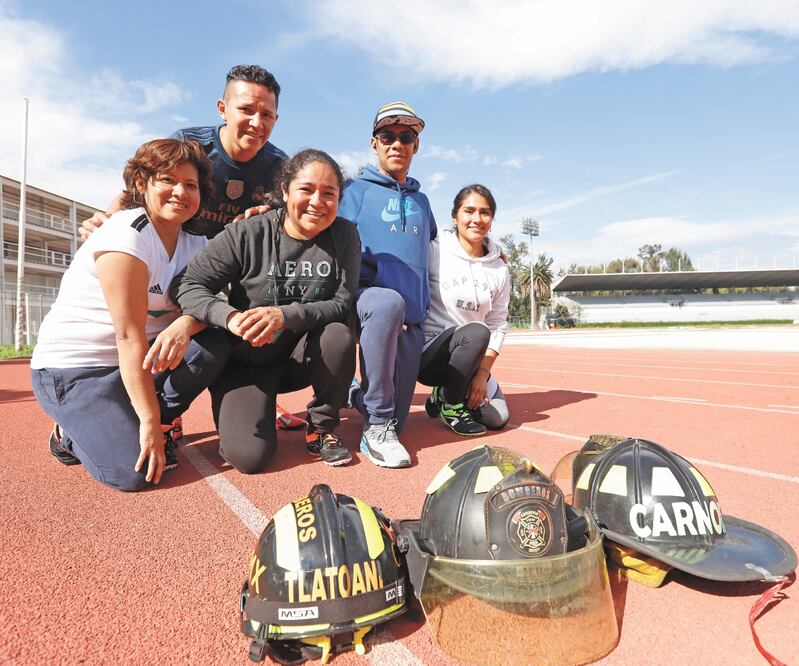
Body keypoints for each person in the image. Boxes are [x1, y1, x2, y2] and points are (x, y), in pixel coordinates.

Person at [80, 64, 304, 432]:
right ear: (222, 108)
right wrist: (105, 221)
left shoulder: (280, 166)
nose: (256, 122)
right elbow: (143, 185)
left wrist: (271, 217)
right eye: (246, 110)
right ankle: (166, 409)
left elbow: (292, 224)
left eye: (267, 115)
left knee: (254, 306)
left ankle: (263, 396)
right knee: (165, 322)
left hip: (234, 268)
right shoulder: (193, 144)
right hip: (183, 253)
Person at [31, 139, 231, 492]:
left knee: (216, 337)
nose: (180, 192)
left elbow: (215, 303)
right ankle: (68, 433)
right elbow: (127, 336)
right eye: (167, 180)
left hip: (135, 363)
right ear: (142, 183)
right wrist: (148, 421)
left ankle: (148, 416)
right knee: (133, 474)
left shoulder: (195, 244)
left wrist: (186, 322)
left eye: (191, 185)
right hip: (78, 370)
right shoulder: (128, 233)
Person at [171, 149, 360, 472]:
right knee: (249, 459)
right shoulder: (247, 232)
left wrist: (284, 316)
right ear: (285, 190)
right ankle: (255, 406)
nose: (317, 201)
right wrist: (229, 318)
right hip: (247, 360)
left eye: (329, 194)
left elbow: (342, 302)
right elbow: (186, 285)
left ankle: (322, 428)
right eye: (306, 189)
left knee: (338, 334)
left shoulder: (344, 234)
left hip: (300, 358)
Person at [338, 101, 437, 469]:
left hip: (410, 318)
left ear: (416, 145)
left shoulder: (423, 201)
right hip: (370, 303)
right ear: (374, 143)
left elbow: (431, 253)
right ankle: (375, 426)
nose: (397, 144)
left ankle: (359, 395)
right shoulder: (354, 191)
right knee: (385, 303)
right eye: (388, 136)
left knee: (403, 420)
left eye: (406, 137)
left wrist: (491, 252)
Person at [419, 184, 511, 435]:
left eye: (485, 212)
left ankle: (443, 393)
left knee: (497, 418)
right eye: (469, 211)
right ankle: (452, 406)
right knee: (477, 332)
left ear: (491, 220)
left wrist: (482, 374)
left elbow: (498, 324)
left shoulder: (499, 267)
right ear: (455, 216)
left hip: (472, 360)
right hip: (430, 354)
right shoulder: (433, 250)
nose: (476, 219)